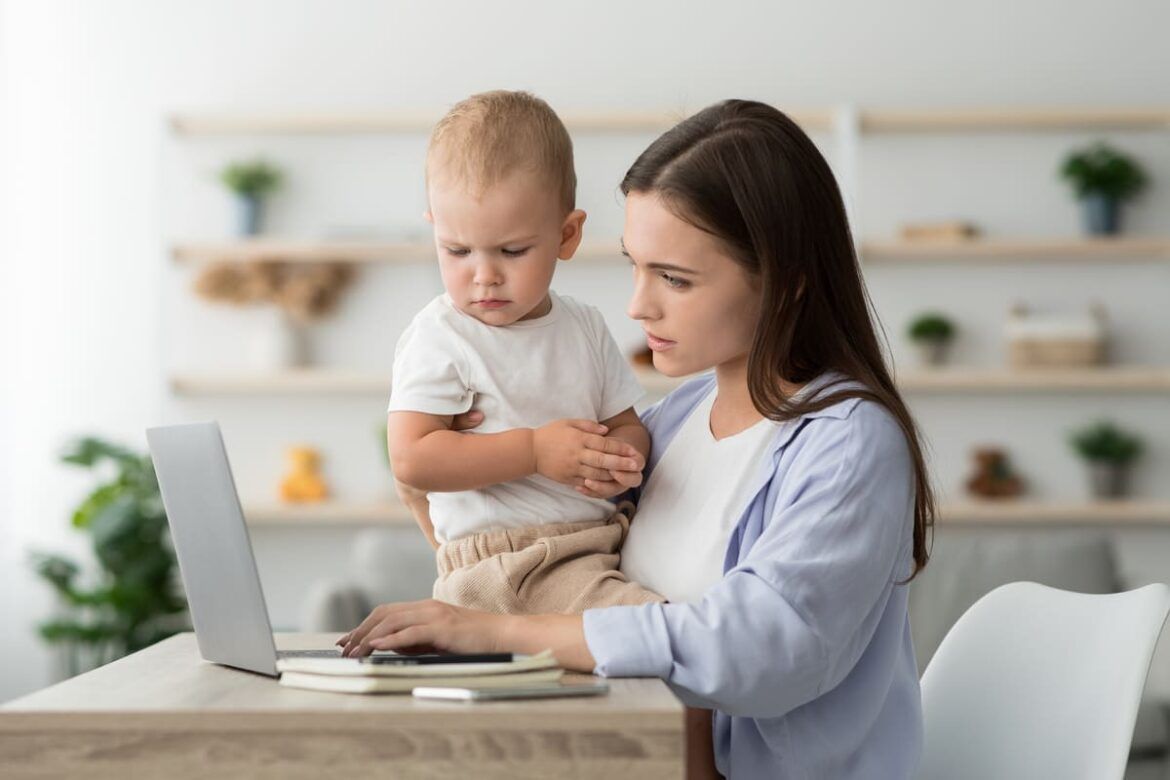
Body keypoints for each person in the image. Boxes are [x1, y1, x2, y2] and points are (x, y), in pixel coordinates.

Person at [341, 99, 936, 779]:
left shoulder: (849, 444)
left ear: (786, 284)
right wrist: (440, 491)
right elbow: (531, 537)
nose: (637, 306)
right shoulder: (675, 419)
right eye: (636, 266)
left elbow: (762, 650)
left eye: (674, 279)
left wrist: (496, 631)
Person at [386, 89, 664, 615]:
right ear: (434, 231)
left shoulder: (583, 325)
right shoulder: (441, 336)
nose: (483, 275)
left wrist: (620, 458)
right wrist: (534, 451)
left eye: (512, 251)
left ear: (567, 234)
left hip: (590, 543)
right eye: (457, 250)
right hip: (506, 565)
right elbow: (411, 458)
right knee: (652, 628)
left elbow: (626, 424)